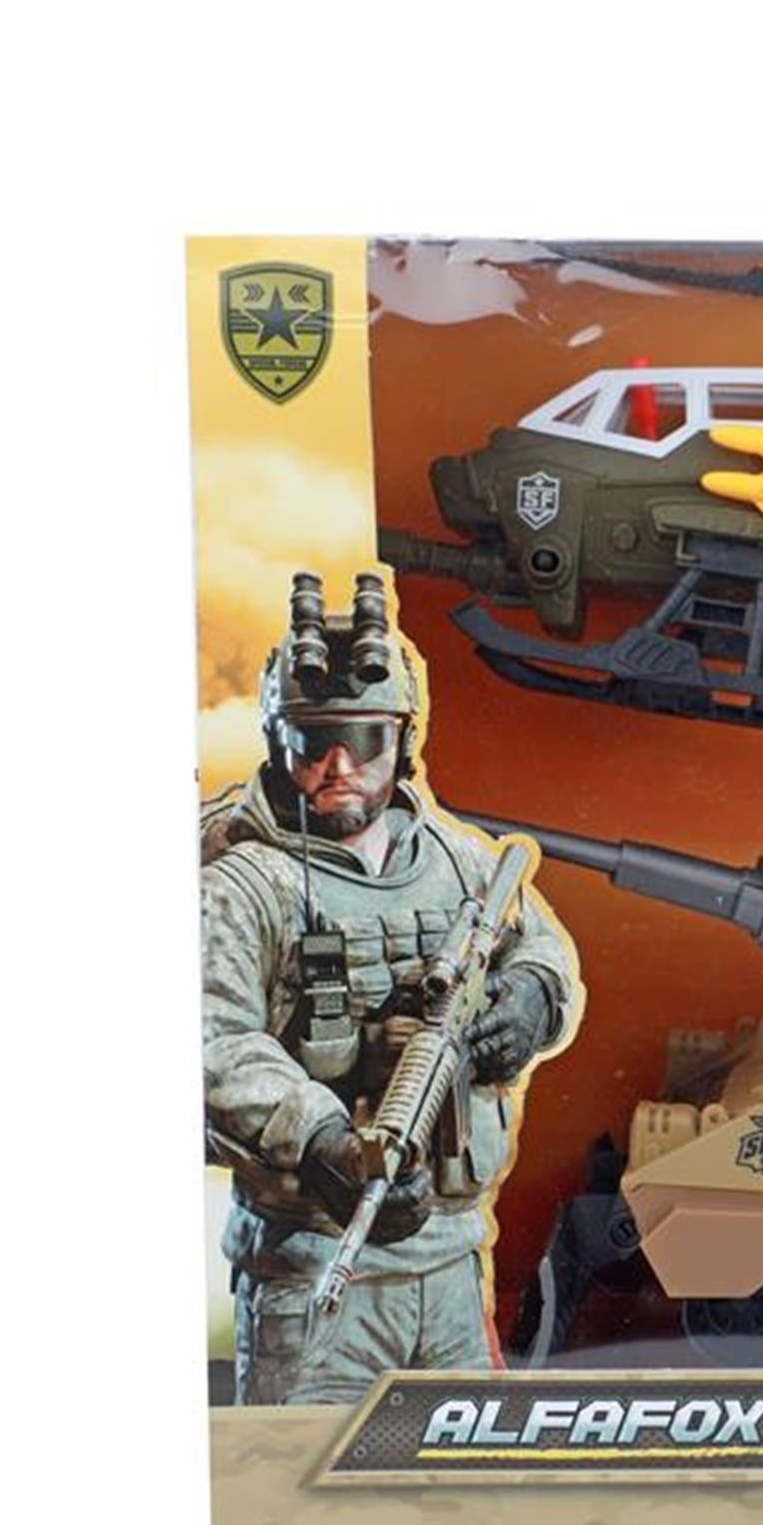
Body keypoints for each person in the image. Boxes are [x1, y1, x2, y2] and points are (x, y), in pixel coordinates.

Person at [201, 571, 579, 1404]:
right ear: (277, 741)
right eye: (312, 742)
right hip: (313, 1271)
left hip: (451, 1264)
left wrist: (532, 997)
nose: (338, 766)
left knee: (460, 1473)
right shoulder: (245, 885)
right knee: (305, 1480)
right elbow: (213, 1043)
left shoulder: (452, 857)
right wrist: (323, 1140)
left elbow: (539, 944)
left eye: (363, 739)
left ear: (402, 742)